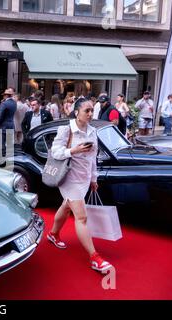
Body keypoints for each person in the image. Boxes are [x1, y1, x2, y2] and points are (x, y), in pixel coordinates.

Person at [48, 97, 113, 273]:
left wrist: (93, 179)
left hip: (84, 179)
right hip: (70, 178)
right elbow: (55, 152)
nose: (91, 114)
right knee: (81, 218)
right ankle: (95, 258)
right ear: (77, 112)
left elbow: (93, 158)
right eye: (87, 111)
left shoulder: (92, 131)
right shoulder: (66, 129)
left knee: (66, 206)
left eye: (92, 110)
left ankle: (53, 234)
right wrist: (74, 150)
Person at [0, 88, 17, 156]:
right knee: (10, 144)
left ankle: (3, 158)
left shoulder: (4, 104)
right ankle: (10, 158)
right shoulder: (14, 103)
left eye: (4, 95)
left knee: (2, 145)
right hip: (11, 125)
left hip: (4, 126)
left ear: (6, 96)